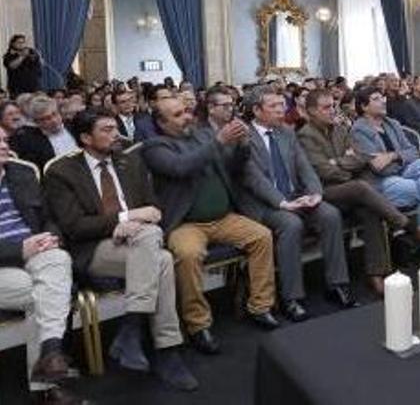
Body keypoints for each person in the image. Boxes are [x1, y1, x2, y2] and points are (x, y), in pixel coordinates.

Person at [44, 109, 197, 391]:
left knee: (160, 256)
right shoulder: (61, 172)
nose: (117, 135)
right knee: (156, 250)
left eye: (116, 128)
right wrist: (123, 220)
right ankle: (161, 348)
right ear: (85, 138)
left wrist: (137, 220)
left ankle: (138, 333)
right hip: (94, 248)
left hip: (140, 243)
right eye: (107, 130)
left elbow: (154, 209)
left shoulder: (130, 163)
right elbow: (74, 226)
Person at [141, 97, 278, 354]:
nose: (187, 117)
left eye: (187, 111)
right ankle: (198, 324)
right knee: (188, 254)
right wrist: (219, 141)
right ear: (161, 122)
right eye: (178, 114)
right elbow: (182, 167)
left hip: (223, 218)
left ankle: (261, 306)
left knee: (262, 236)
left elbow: (232, 166)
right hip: (186, 224)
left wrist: (242, 145)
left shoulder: (202, 136)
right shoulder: (155, 147)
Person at [299, 89, 420, 295]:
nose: (332, 110)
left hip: (354, 188)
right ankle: (410, 228)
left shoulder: (341, 129)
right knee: (361, 186)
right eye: (326, 107)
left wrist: (340, 162)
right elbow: (322, 170)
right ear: (312, 111)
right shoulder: (306, 135)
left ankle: (376, 274)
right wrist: (347, 166)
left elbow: (359, 158)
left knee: (371, 210)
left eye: (333, 106)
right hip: (324, 191)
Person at [238, 86, 357, 322]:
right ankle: (291, 297)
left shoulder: (286, 132)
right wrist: (282, 203)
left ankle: (337, 284)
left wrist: (315, 194)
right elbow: (253, 179)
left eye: (282, 104)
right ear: (256, 110)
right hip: (265, 204)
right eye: (274, 106)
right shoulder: (244, 138)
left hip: (295, 196)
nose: (282, 110)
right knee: (291, 225)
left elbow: (304, 167)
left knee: (330, 215)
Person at [0, 127, 81, 404]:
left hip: (35, 252)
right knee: (39, 293)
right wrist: (19, 249)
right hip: (8, 261)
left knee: (58, 258)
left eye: (4, 139)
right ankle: (47, 385)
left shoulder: (20, 174)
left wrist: (50, 237)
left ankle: (50, 353)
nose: (4, 145)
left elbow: (48, 215)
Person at [350, 87, 420, 243]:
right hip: (380, 182)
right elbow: (378, 168)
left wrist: (393, 155)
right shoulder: (358, 130)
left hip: (401, 172)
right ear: (364, 107)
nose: (383, 101)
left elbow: (414, 152)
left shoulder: (392, 123)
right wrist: (400, 157)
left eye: (383, 97)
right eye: (376, 98)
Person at [10, 96, 78, 171]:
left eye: (54, 114)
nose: (54, 120)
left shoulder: (73, 127)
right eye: (47, 118)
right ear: (37, 122)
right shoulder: (32, 143)